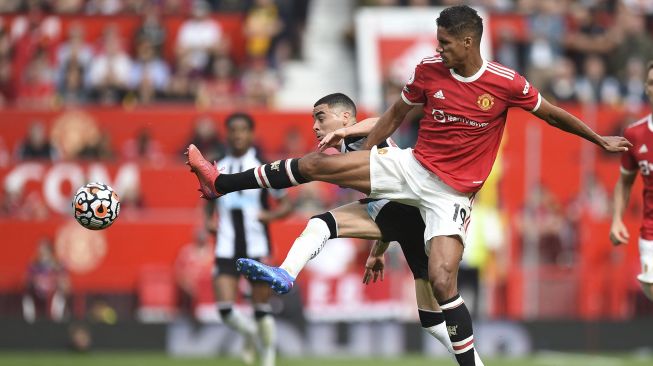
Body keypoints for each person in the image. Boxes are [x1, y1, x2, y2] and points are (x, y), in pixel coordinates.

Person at [187, 6, 631, 366]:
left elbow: (551, 112)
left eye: (444, 42)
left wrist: (597, 137)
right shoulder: (428, 71)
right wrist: (363, 155)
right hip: (412, 168)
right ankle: (222, 182)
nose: (437, 49)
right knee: (318, 164)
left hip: (451, 195)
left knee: (440, 283)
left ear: (468, 42)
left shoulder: (505, 82)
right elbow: (394, 117)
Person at [236, 93, 455, 357]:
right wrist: (377, 252)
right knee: (433, 323)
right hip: (404, 217)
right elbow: (386, 200)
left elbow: (379, 121)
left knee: (321, 224)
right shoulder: (352, 150)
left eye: (320, 117)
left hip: (411, 214)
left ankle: (286, 273)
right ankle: (473, 359)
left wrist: (347, 132)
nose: (315, 126)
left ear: (346, 117)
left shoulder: (359, 138)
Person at [206, 113, 293, 366]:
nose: (237, 135)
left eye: (243, 129)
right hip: (225, 245)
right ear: (227, 133)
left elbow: (286, 205)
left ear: (251, 134)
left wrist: (270, 214)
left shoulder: (264, 167)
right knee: (225, 310)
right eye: (233, 130)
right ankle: (251, 335)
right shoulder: (216, 167)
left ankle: (267, 358)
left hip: (257, 246)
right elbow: (208, 202)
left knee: (260, 308)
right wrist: (208, 222)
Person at [609, 60, 653, 302]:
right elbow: (624, 183)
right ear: (646, 88)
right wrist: (616, 219)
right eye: (652, 83)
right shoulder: (635, 134)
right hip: (650, 230)